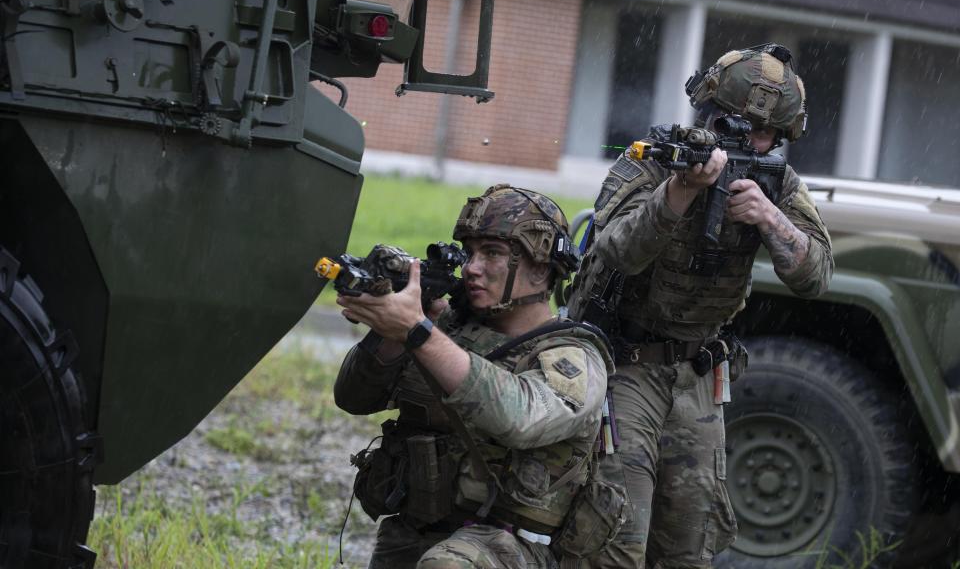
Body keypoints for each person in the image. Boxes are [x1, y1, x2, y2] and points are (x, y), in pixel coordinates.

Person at [566, 43, 834, 568]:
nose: (744, 141)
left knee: (690, 544)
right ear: (708, 115)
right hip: (625, 363)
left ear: (779, 139)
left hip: (697, 373)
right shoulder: (652, 161)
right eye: (731, 125)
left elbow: (817, 275)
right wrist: (679, 192)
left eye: (760, 134)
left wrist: (768, 218)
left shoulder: (776, 182)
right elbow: (616, 250)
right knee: (615, 537)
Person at [334, 184, 616, 569]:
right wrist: (391, 333)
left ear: (539, 266)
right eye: (469, 253)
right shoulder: (446, 329)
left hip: (512, 548)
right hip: (417, 533)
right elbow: (353, 398)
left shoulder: (572, 354)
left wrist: (419, 333)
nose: (471, 267)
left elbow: (521, 419)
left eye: (493, 253)